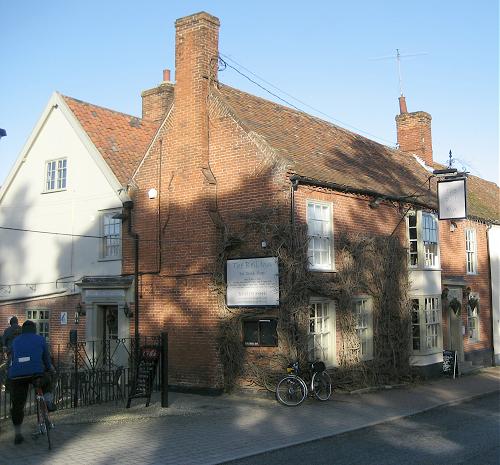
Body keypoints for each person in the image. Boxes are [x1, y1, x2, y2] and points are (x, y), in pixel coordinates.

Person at [8, 320, 56, 445]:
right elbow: (46, 360)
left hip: (17, 376)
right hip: (36, 374)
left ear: (22, 330)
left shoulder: (15, 341)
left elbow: (12, 359)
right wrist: (51, 369)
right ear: (34, 329)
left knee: (18, 405)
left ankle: (17, 434)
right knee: (47, 378)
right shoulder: (40, 339)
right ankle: (48, 400)